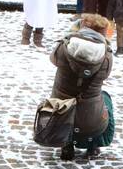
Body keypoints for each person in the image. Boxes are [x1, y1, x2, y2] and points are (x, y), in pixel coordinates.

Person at [49, 14, 115, 161]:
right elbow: (105, 75)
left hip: (62, 111)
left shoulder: (64, 47)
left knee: (61, 96)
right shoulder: (106, 56)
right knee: (105, 99)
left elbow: (52, 59)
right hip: (90, 117)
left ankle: (66, 144)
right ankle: (93, 146)